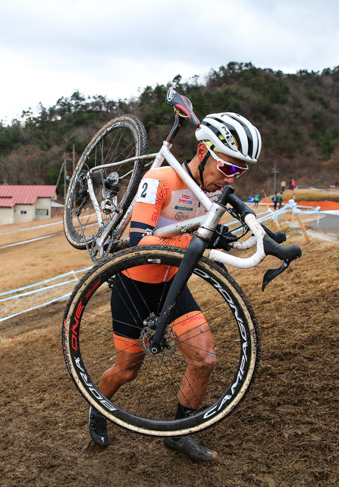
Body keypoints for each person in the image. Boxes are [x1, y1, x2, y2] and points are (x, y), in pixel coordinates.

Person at [88, 112, 262, 462]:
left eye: (240, 172)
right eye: (228, 169)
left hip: (172, 284)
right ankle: (98, 408)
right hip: (134, 286)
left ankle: (181, 433)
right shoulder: (161, 178)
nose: (231, 179)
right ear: (202, 151)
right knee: (127, 368)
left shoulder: (212, 195)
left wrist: (223, 239)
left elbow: (202, 235)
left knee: (205, 359)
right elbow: (141, 241)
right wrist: (203, 248)